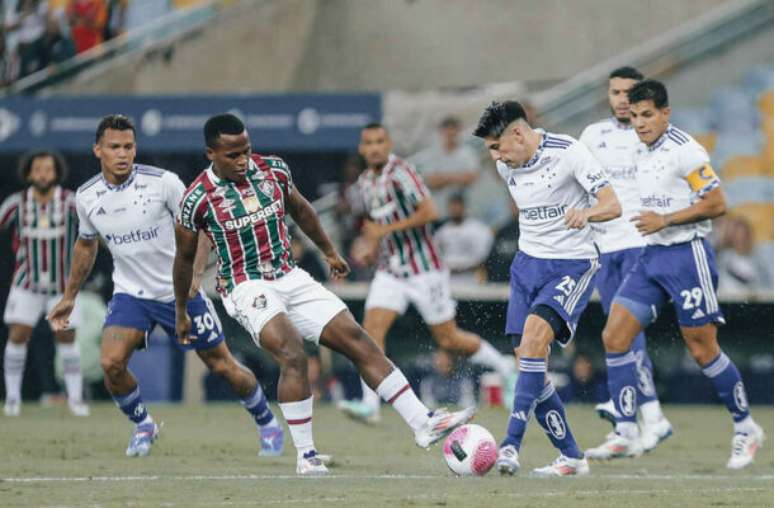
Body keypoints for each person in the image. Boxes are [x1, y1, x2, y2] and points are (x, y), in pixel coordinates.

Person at [173, 113, 475, 476]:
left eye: (246, 151)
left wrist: (330, 252)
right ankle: (306, 456)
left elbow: (301, 209)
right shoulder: (195, 200)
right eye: (233, 155)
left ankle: (423, 423)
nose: (243, 161)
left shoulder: (272, 170)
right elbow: (185, 258)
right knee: (292, 351)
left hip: (289, 275)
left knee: (357, 340)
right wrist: (181, 310)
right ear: (211, 153)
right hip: (244, 284)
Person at [47, 114, 286, 459]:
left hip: (179, 293)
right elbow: (86, 244)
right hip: (131, 294)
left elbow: (204, 224)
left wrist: (197, 273)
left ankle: (267, 422)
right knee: (111, 363)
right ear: (98, 150)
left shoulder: (164, 183)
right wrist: (69, 297)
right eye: (114, 147)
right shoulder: (86, 197)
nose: (123, 154)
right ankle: (143, 424)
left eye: (128, 146)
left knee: (223, 367)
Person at [584, 80, 765, 469]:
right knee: (615, 335)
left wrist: (665, 219)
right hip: (651, 256)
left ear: (665, 113)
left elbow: (717, 202)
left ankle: (746, 427)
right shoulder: (638, 148)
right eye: (634, 117)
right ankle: (626, 432)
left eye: (648, 115)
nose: (641, 123)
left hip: (688, 257)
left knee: (702, 349)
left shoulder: (686, 150)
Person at [473, 100, 621, 476]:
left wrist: (586, 213)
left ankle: (510, 445)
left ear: (518, 134)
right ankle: (571, 455)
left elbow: (612, 204)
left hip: (571, 263)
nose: (495, 156)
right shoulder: (505, 166)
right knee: (528, 362)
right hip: (527, 266)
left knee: (536, 342)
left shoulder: (570, 153)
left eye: (497, 146)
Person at [337, 123, 514, 424]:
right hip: (391, 270)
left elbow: (429, 212)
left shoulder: (402, 172)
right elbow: (378, 224)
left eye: (381, 140)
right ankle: (371, 405)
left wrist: (385, 230)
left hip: (424, 270)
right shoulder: (366, 182)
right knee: (371, 330)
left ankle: (506, 367)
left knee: (449, 339)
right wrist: (370, 243)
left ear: (389, 143)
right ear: (362, 148)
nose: (376, 147)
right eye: (370, 142)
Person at [579, 66, 672, 451]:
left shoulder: (651, 137)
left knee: (625, 334)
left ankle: (635, 416)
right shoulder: (591, 136)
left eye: (628, 92)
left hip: (638, 243)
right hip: (604, 248)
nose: (621, 98)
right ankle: (643, 416)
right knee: (621, 336)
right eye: (615, 92)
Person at [1, 150, 88, 417]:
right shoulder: (16, 204)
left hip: (62, 286)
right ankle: (13, 399)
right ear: (28, 173)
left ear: (56, 172)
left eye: (47, 169)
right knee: (18, 336)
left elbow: (93, 234)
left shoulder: (71, 203)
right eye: (37, 169)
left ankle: (75, 399)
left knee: (66, 337)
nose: (42, 174)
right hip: (26, 284)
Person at [409, 116, 481, 219]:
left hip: (466, 212)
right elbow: (431, 181)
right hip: (441, 212)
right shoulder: (431, 156)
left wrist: (443, 177)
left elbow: (472, 178)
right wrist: (459, 176)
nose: (450, 135)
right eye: (447, 131)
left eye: (453, 130)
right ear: (441, 132)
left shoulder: (468, 154)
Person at [434, 193, 494, 285]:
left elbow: (483, 258)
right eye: (452, 205)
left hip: (469, 279)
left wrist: (461, 268)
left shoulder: (478, 229)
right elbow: (435, 254)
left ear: (464, 207)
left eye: (457, 205)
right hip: (447, 279)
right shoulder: (442, 230)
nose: (454, 209)